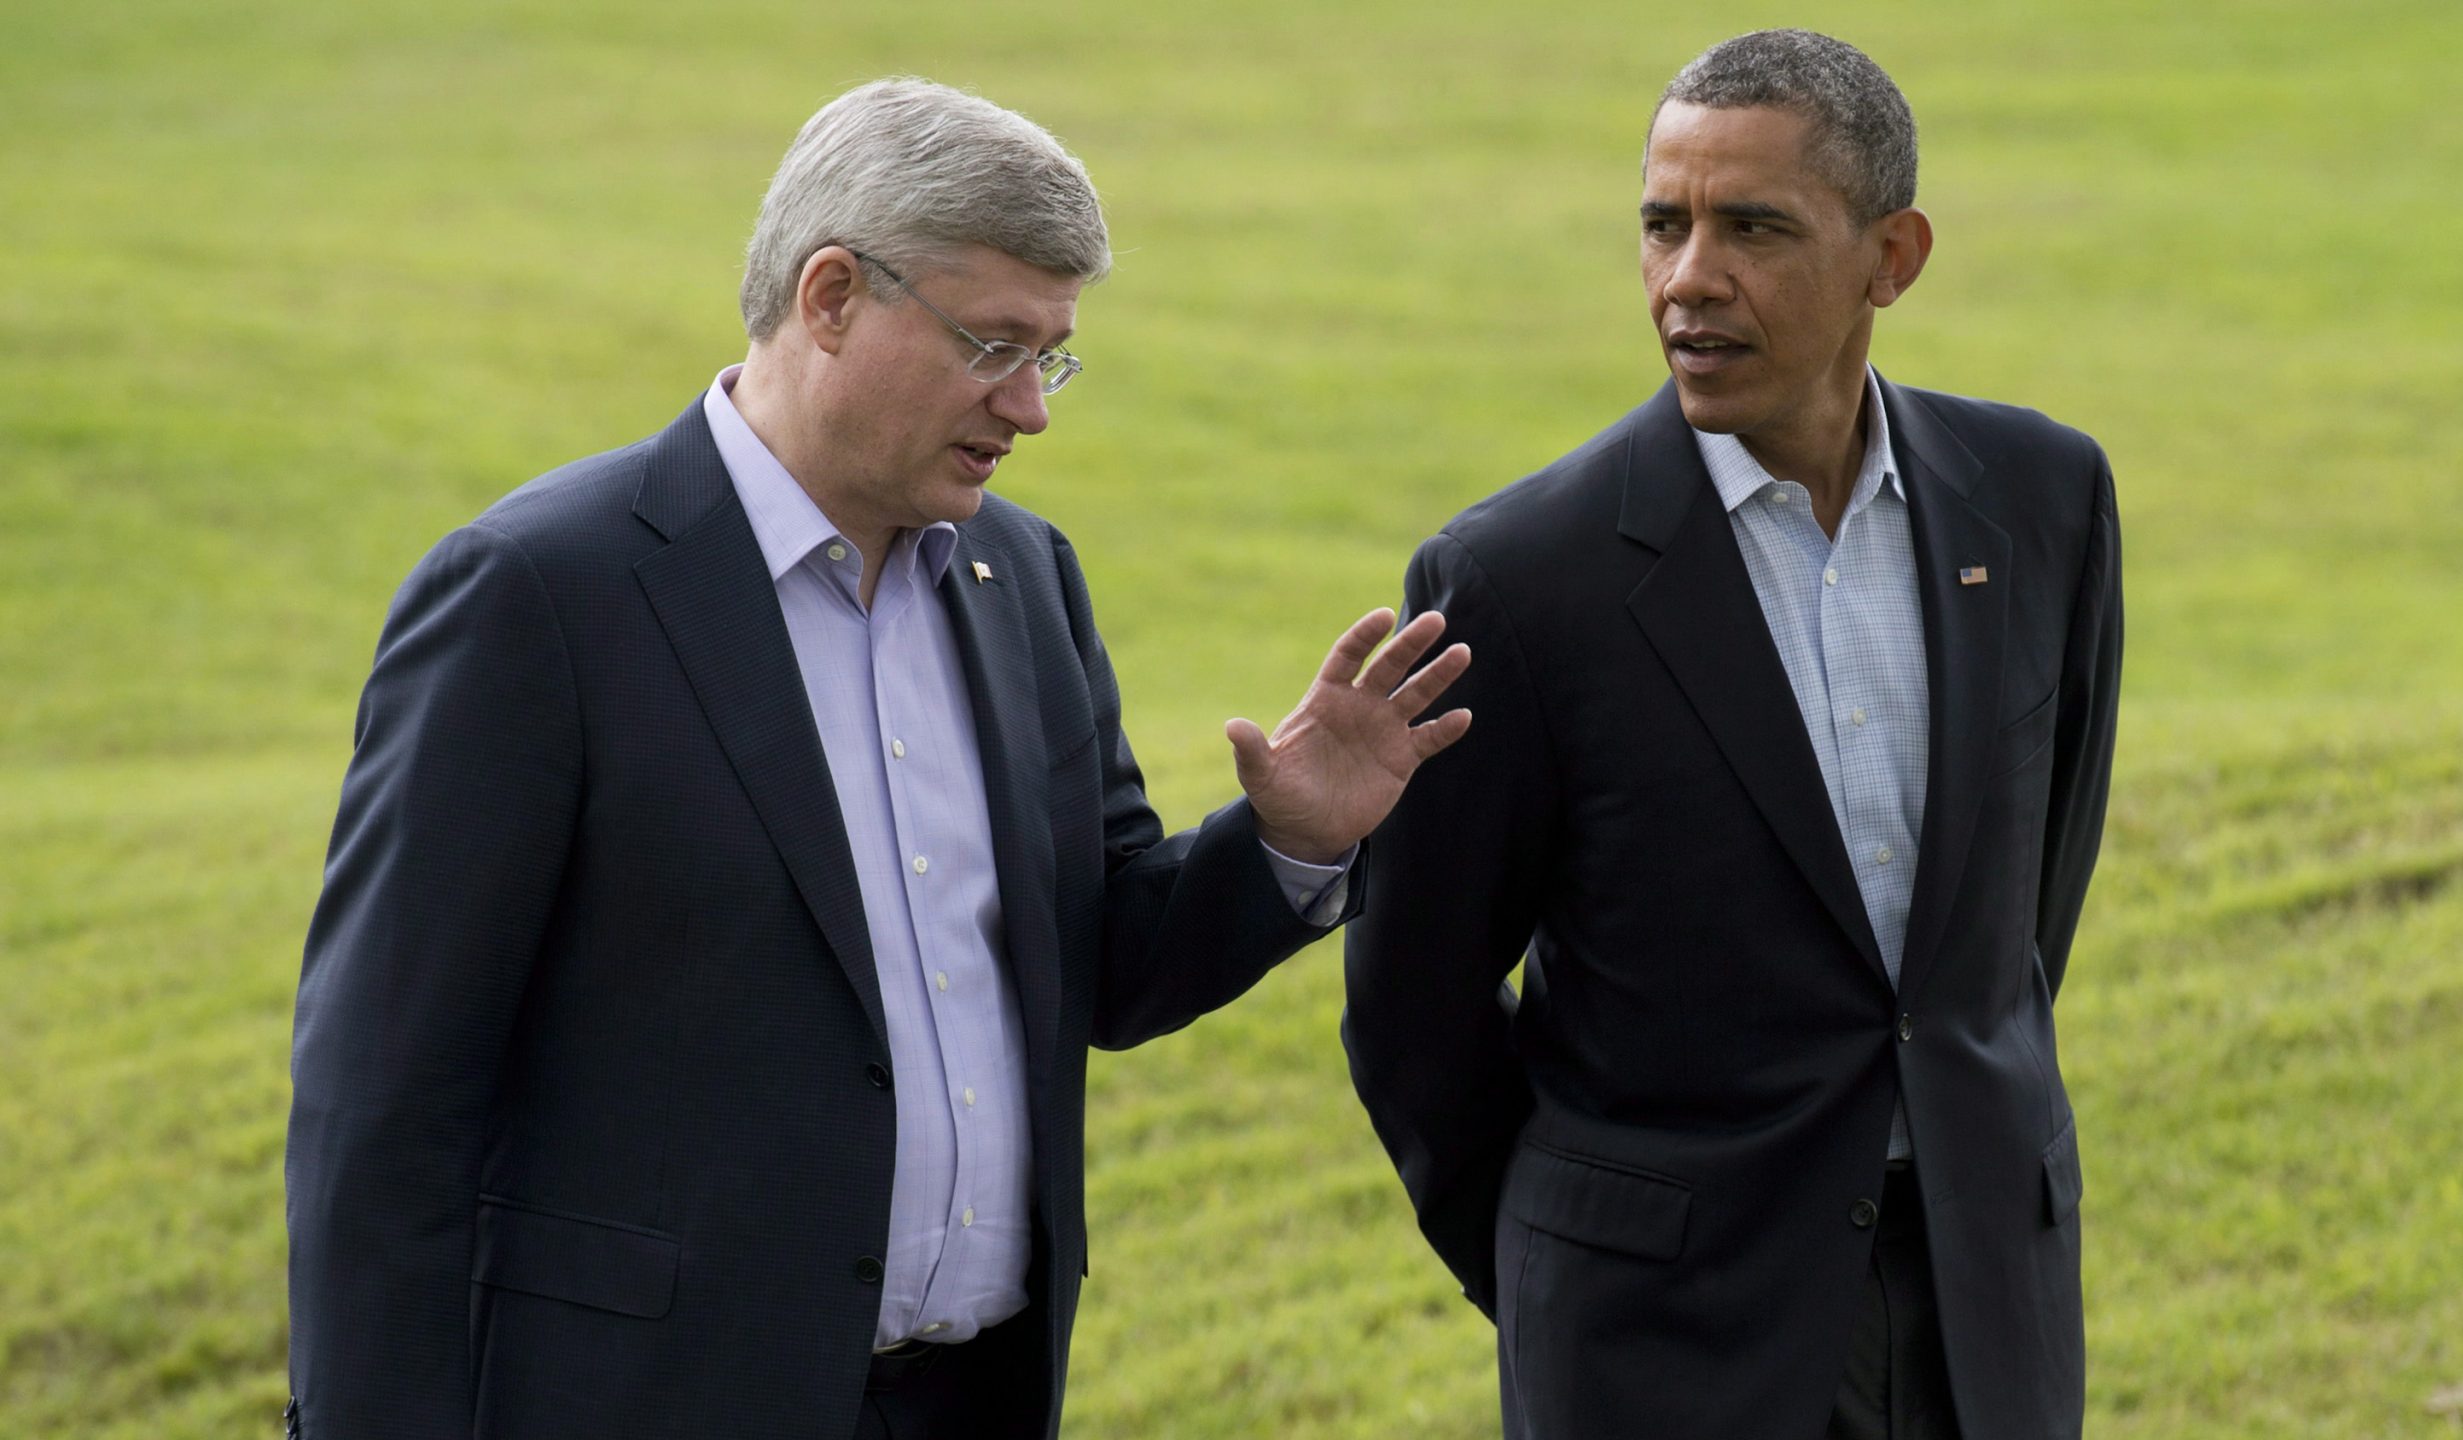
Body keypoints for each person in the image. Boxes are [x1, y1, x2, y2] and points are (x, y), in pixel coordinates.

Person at [283, 78, 1472, 1440]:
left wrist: (1289, 844)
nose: (1029, 409)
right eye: (993, 346)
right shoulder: (538, 596)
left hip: (974, 1400)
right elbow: (384, 1100)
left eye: (1052, 357)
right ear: (832, 296)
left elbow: (1100, 963)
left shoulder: (1025, 578)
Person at [1343, 29, 2121, 1440]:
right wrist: (1566, 1274)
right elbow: (1413, 1009)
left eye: (1752, 228)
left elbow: (2019, 920)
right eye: (1664, 225)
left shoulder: (2042, 496)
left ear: (1892, 258)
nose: (1688, 278)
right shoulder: (1516, 579)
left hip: (1986, 1311)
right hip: (1660, 1350)